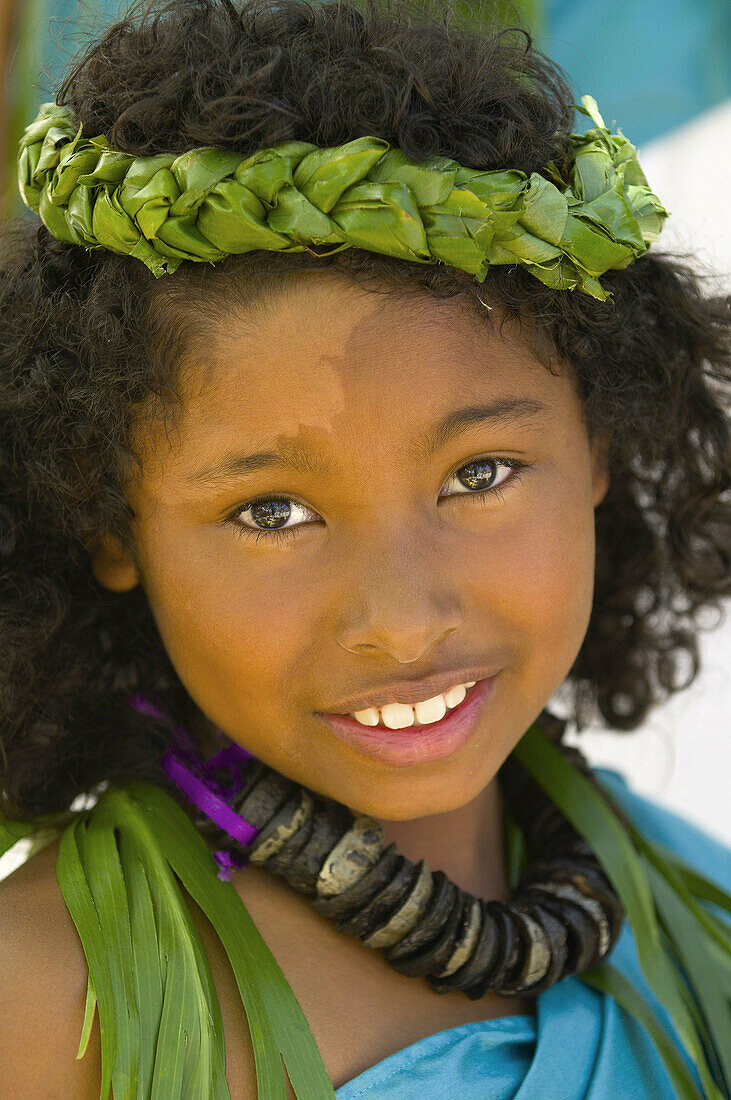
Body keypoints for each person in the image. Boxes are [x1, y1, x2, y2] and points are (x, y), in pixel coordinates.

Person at [0, 0, 729, 1096]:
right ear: (109, 522)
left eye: (477, 475)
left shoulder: (700, 906)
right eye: (270, 512)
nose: (400, 617)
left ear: (600, 442)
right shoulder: (48, 1004)